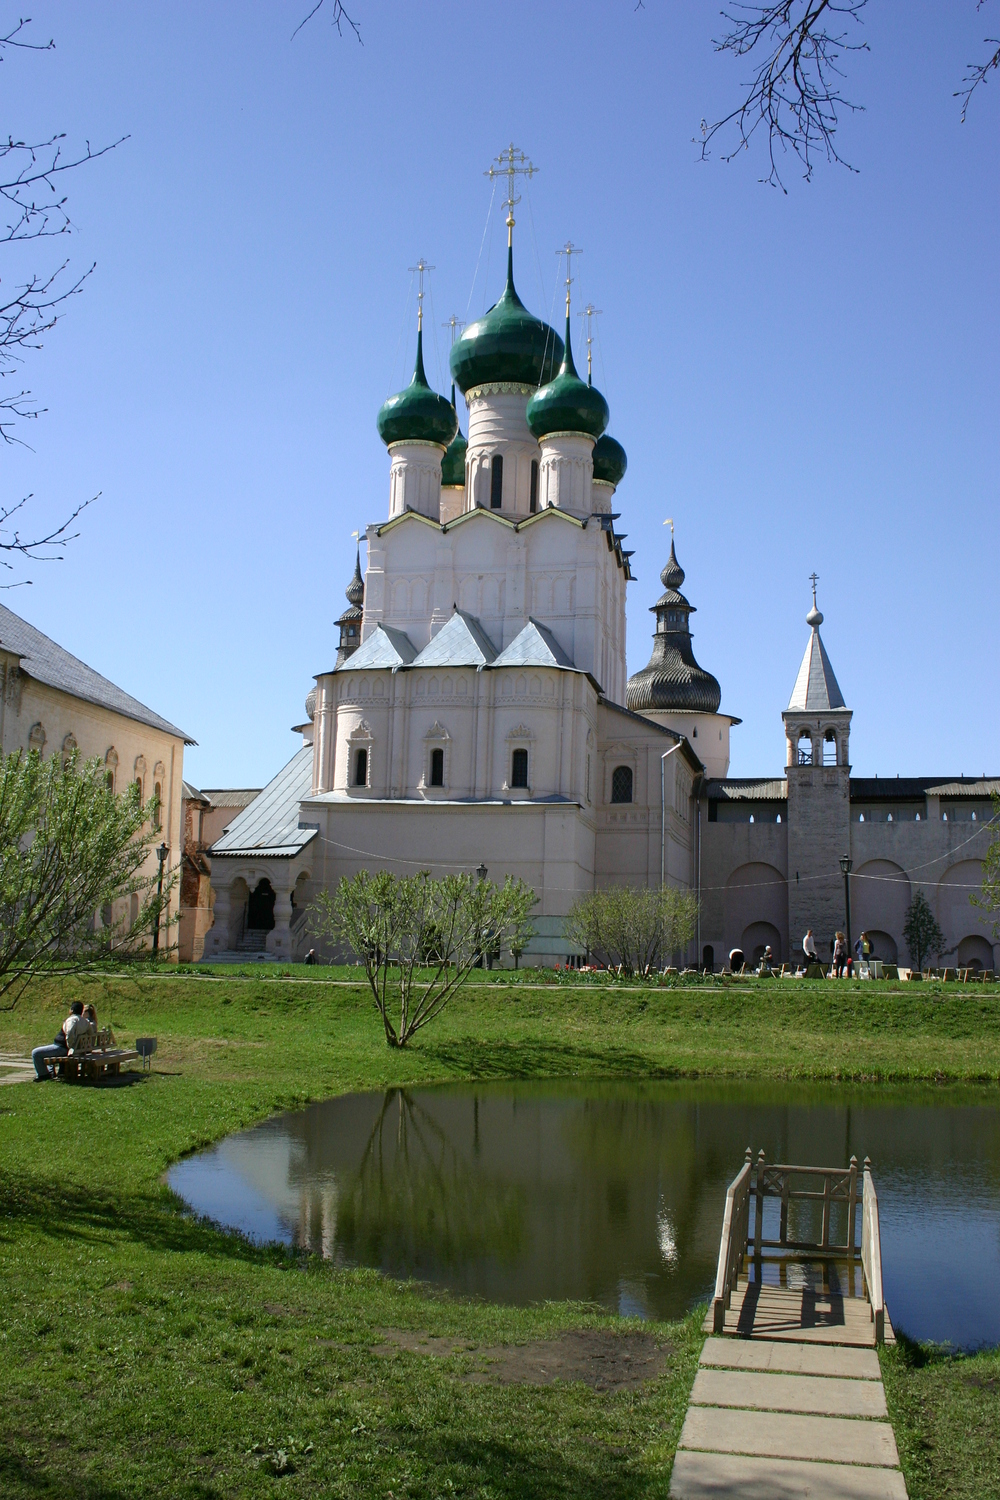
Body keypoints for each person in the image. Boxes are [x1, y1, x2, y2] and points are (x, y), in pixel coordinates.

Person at [32, 1000, 85, 1081]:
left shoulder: (72, 1020)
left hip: (62, 1049)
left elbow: (70, 1033)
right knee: (48, 1053)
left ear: (72, 1010)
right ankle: (51, 1073)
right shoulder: (84, 1021)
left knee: (35, 1053)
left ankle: (43, 1075)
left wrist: (70, 1046)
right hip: (70, 1049)